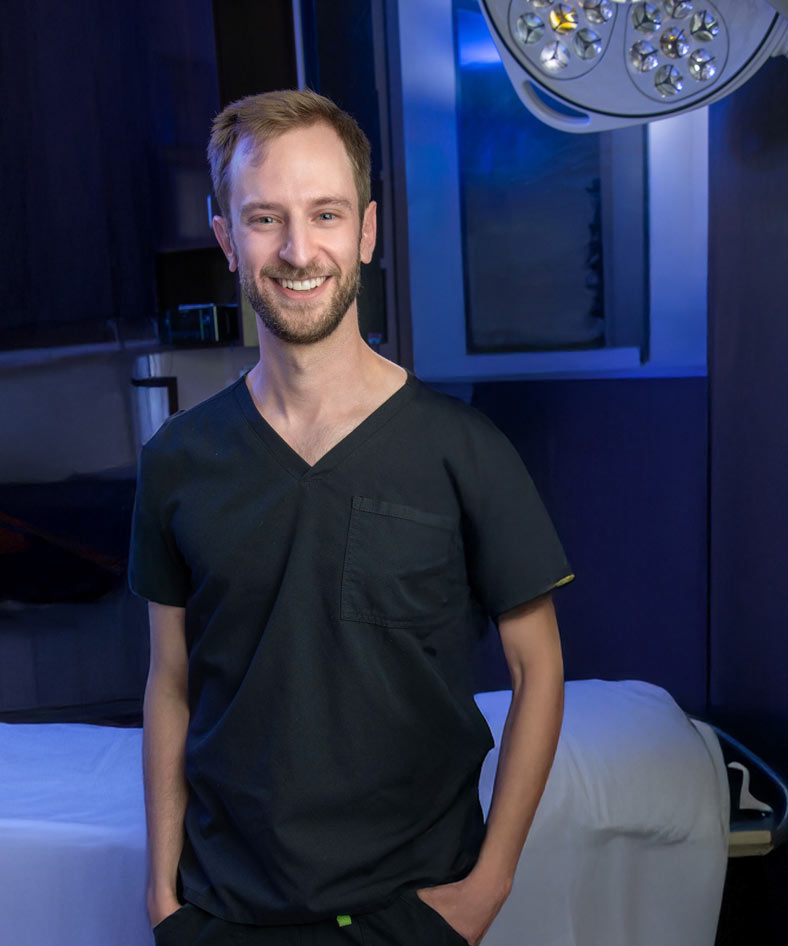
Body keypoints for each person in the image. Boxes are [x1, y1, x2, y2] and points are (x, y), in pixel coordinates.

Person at [129, 89, 572, 946]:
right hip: (224, 910)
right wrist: (162, 898)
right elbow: (171, 684)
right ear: (227, 239)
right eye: (265, 218)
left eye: (325, 214)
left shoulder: (464, 451)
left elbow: (539, 670)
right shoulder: (176, 462)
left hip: (414, 909)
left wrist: (488, 886)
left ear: (365, 232)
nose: (299, 250)